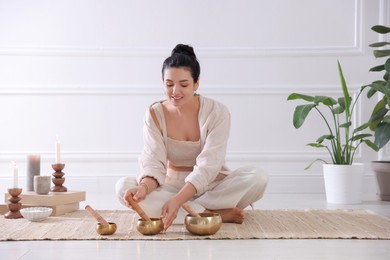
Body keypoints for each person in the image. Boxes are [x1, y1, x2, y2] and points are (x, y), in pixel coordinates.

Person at [116, 44, 268, 231]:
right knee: (123, 187)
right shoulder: (154, 113)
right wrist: (143, 189)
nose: (175, 91)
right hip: (171, 185)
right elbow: (153, 162)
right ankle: (213, 214)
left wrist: (178, 200)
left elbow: (209, 164)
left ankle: (191, 211)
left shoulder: (217, 112)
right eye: (169, 84)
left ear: (196, 83)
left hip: (212, 184)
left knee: (258, 177)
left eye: (184, 84)